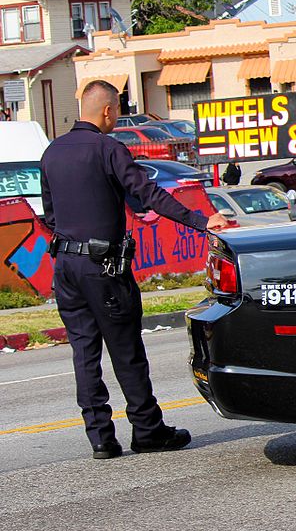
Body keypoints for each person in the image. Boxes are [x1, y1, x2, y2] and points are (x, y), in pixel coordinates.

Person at [40, 80, 229, 460]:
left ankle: (100, 438)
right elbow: (148, 194)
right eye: (117, 110)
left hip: (66, 266)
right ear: (108, 111)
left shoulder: (52, 152)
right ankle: (147, 430)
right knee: (126, 350)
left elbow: (50, 214)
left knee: (84, 352)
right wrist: (200, 220)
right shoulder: (108, 149)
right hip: (103, 268)